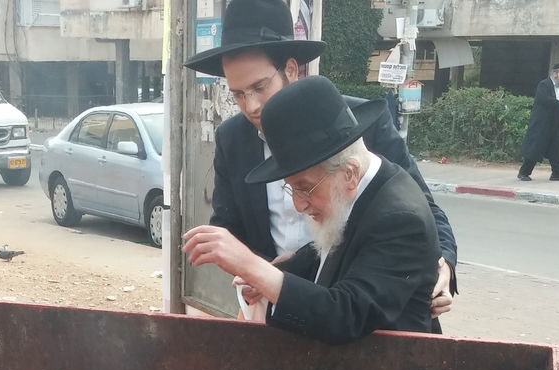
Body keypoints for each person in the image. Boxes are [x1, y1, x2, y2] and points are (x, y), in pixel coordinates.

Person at [184, 0, 456, 329]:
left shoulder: (352, 127)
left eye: (259, 87)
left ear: (291, 70)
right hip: (282, 307)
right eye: (238, 94)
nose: (252, 106)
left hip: (362, 319)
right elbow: (238, 230)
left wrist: (437, 265)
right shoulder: (232, 139)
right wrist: (269, 273)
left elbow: (417, 213)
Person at [182, 76, 438, 344]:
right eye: (291, 189)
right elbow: (331, 252)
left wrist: (253, 266)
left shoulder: (400, 218)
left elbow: (347, 313)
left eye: (305, 188)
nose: (299, 205)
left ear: (349, 173)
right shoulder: (364, 185)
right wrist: (276, 273)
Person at [519, 64, 559, 182]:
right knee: (535, 148)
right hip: (542, 124)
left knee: (556, 148)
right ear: (555, 74)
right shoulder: (544, 85)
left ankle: (557, 173)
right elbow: (546, 100)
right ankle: (524, 173)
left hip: (556, 124)